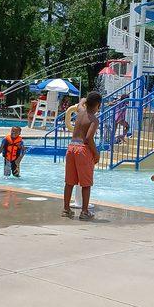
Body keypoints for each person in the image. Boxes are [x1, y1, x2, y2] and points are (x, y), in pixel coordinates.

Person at [62, 91, 102, 220]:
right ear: (98, 105)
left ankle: (66, 209)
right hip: (83, 150)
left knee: (69, 182)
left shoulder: (80, 111)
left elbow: (82, 100)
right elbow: (89, 138)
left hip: (71, 148)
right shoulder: (94, 120)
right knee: (86, 183)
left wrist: (85, 100)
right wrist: (96, 154)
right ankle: (84, 212)